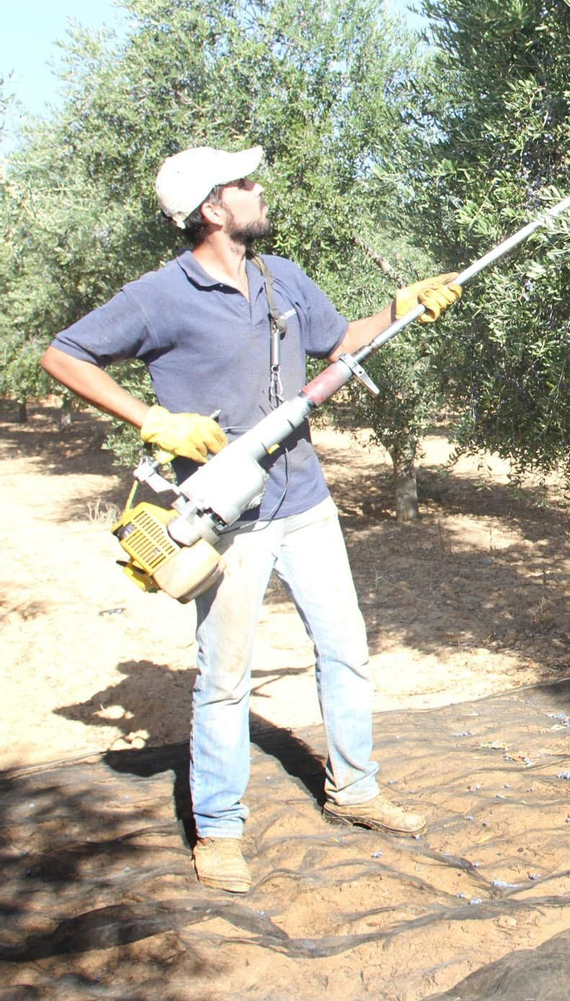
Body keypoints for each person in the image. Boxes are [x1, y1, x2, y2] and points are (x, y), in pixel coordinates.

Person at [40, 145, 462, 893]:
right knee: (226, 678)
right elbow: (63, 355)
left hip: (306, 503)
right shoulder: (159, 295)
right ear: (211, 209)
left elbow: (339, 341)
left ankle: (356, 789)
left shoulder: (282, 276)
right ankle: (221, 827)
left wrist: (401, 308)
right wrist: (152, 420)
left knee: (346, 647)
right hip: (226, 517)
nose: (258, 189)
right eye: (242, 184)